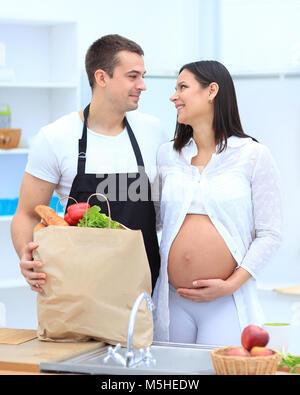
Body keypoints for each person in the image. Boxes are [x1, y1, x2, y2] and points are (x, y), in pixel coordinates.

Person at [11, 34, 168, 294]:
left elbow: (163, 213)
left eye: (143, 76)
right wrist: (27, 258)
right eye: (132, 76)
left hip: (144, 288)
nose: (142, 85)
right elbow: (27, 213)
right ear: (101, 77)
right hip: (78, 291)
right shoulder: (55, 137)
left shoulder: (154, 131)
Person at [152, 60, 282, 345]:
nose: (174, 96)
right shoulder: (166, 155)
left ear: (211, 91)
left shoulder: (253, 155)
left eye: (182, 87)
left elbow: (270, 234)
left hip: (226, 302)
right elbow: (155, 219)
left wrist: (230, 285)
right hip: (172, 300)